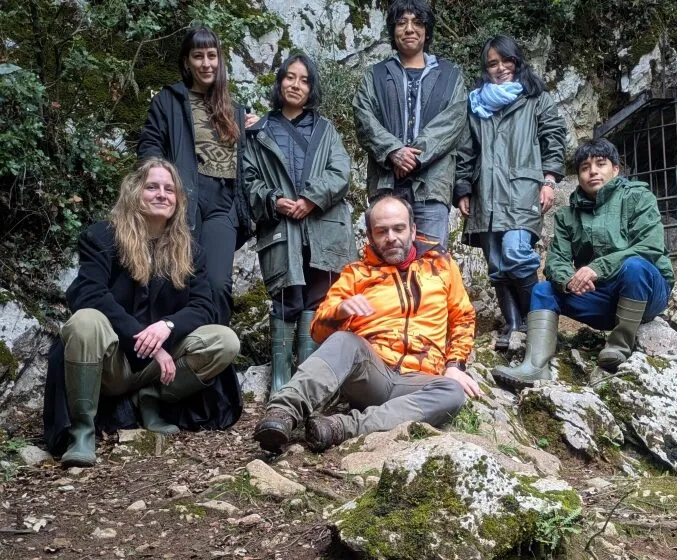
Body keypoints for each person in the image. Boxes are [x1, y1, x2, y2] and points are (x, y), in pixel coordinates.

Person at [43, 159, 241, 467]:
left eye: (169, 189)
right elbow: (90, 294)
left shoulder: (190, 250)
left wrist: (167, 326)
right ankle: (82, 432)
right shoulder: (102, 237)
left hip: (158, 371)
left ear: (178, 201)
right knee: (85, 321)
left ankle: (149, 398)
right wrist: (145, 340)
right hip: (111, 361)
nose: (162, 194)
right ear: (136, 192)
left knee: (225, 341)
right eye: (152, 187)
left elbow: (204, 307)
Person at [252, 196, 478, 453]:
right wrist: (340, 311)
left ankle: (340, 427)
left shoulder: (442, 266)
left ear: (413, 230)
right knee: (345, 340)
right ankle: (282, 412)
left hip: (420, 379)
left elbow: (463, 317)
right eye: (381, 231)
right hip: (371, 374)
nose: (391, 237)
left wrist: (455, 365)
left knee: (452, 391)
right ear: (370, 236)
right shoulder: (356, 274)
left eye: (399, 228)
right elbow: (317, 331)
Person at [492, 139, 675, 390]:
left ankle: (619, 346)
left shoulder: (638, 198)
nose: (593, 172)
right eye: (585, 167)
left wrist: (596, 268)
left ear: (616, 169)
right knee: (543, 290)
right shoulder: (568, 216)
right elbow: (556, 260)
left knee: (635, 266)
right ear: (578, 176)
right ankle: (535, 365)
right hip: (602, 300)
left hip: (646, 294)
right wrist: (569, 280)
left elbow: (650, 247)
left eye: (601, 164)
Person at [244, 53, 356, 395]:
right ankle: (280, 383)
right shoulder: (259, 131)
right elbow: (247, 179)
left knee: (316, 301)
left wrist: (310, 199)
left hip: (322, 227)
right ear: (279, 82)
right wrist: (274, 199)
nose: (296, 85)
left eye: (304, 80)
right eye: (290, 77)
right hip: (282, 229)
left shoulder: (326, 130)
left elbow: (341, 173)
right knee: (285, 299)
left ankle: (305, 382)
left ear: (312, 88)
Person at [137, 27, 257, 325]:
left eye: (212, 56)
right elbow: (150, 144)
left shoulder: (235, 110)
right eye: (198, 56)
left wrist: (252, 130)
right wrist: (158, 181)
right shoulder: (169, 100)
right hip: (184, 196)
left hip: (224, 202)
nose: (206, 63)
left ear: (220, 60)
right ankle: (171, 355)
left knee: (217, 284)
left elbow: (252, 160)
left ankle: (213, 358)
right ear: (187, 61)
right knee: (176, 277)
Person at [455, 35, 566, 351]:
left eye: (506, 61)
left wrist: (548, 181)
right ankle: (514, 325)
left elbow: (553, 138)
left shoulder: (536, 99)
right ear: (485, 68)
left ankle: (538, 325)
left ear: (517, 62)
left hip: (522, 189)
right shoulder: (475, 105)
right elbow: (466, 150)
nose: (500, 68)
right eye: (493, 63)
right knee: (496, 264)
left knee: (517, 253)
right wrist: (463, 188)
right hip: (485, 194)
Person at [352, 0, 467, 247]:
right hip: (386, 183)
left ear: (427, 31)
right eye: (401, 23)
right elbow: (364, 117)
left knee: (432, 265)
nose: (409, 29)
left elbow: (453, 121)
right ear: (393, 31)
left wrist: (414, 156)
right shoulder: (375, 75)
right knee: (386, 262)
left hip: (432, 186)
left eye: (417, 22)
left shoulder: (450, 75)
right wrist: (393, 150)